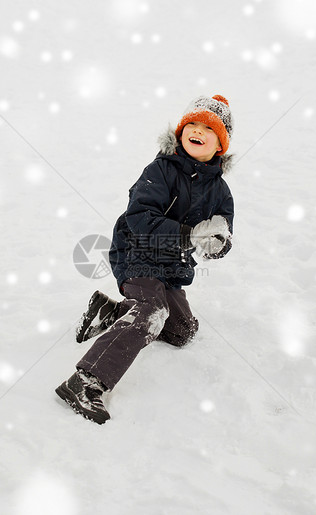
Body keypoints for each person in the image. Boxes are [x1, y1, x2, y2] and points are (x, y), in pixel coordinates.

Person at [55, 95, 236, 424]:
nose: (197, 131)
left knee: (182, 331)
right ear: (180, 132)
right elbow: (139, 216)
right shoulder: (162, 170)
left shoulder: (221, 193)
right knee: (153, 313)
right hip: (137, 253)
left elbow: (224, 236)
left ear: (220, 144)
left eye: (207, 128)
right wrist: (187, 235)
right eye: (191, 124)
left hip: (172, 268)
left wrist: (216, 242)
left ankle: (109, 312)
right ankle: (85, 382)